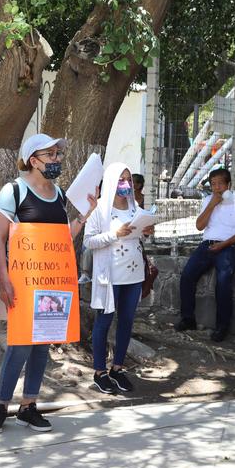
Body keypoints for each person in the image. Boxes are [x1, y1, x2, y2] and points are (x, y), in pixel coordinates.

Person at [0, 133, 96, 434]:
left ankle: (29, 406)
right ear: (33, 160)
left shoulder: (58, 195)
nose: (57, 160)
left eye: (58, 155)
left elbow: (62, 239)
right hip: (22, 282)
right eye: (51, 155)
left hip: (50, 283)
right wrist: (4, 279)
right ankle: (1, 407)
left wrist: (85, 214)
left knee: (41, 345)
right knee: (19, 345)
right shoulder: (14, 192)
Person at [84, 163, 154, 394]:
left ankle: (118, 368)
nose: (126, 185)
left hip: (134, 275)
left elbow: (139, 237)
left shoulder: (136, 208)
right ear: (112, 182)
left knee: (126, 321)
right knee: (104, 322)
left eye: (128, 180)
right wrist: (114, 234)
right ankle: (99, 371)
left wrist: (146, 232)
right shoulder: (101, 210)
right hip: (109, 276)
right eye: (121, 180)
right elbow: (89, 241)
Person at [175, 168, 235, 342]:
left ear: (228, 184)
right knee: (187, 275)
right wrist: (211, 205)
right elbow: (199, 226)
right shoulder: (208, 200)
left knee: (223, 281)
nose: (217, 188)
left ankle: (222, 326)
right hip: (207, 244)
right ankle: (188, 319)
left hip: (229, 246)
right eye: (213, 184)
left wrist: (223, 245)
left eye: (220, 184)